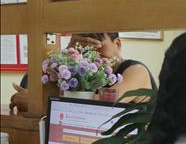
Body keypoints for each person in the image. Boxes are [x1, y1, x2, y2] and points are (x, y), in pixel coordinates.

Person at [8, 32, 157, 113]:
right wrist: (69, 51)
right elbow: (38, 81)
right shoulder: (83, 74)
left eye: (96, 42)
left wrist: (38, 102)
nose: (90, 50)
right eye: (84, 43)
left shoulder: (136, 70)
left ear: (117, 43)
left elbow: (106, 102)